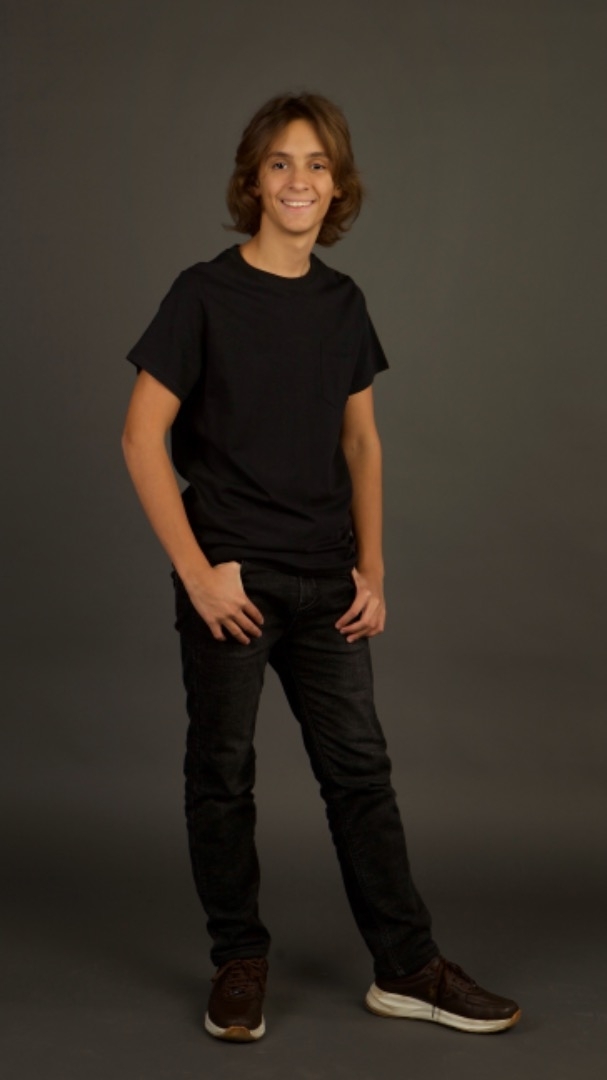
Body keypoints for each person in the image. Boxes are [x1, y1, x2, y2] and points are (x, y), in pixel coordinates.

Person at [122, 91, 521, 1042]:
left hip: (326, 581)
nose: (298, 180)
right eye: (280, 163)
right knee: (223, 775)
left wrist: (370, 570)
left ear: (336, 186)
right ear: (252, 181)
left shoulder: (343, 303)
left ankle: (407, 967)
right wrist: (198, 574)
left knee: (360, 777)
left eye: (316, 164)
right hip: (232, 582)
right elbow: (141, 437)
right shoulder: (203, 294)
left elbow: (361, 445)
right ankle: (238, 961)